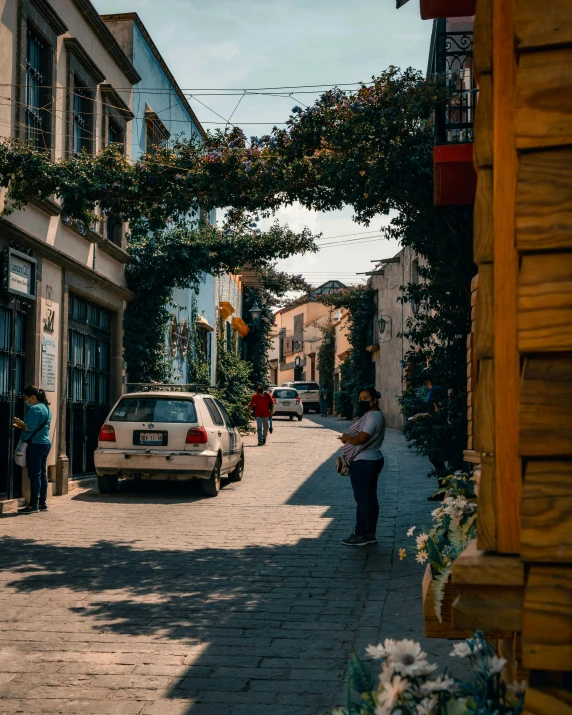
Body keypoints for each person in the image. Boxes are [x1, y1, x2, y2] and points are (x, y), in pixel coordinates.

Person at [338, 387, 386, 547]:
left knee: (363, 499)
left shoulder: (372, 417)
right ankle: (370, 533)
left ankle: (359, 534)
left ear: (374, 400)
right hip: (374, 458)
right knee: (371, 498)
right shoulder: (376, 414)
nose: (362, 401)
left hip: (364, 462)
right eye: (360, 398)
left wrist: (347, 437)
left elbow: (362, 438)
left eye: (365, 398)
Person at [13, 386, 52, 514]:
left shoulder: (35, 409)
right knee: (42, 474)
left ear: (33, 397)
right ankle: (42, 503)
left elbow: (29, 427)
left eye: (26, 398)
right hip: (45, 443)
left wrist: (19, 424)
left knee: (34, 475)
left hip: (35, 444)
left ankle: (33, 505)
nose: (26, 401)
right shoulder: (47, 408)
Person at [410, 370, 447, 500]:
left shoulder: (436, 391)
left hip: (437, 428)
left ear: (428, 381)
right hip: (435, 426)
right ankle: (443, 488)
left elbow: (437, 411)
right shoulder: (436, 390)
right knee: (436, 459)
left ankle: (443, 489)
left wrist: (421, 415)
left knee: (436, 459)